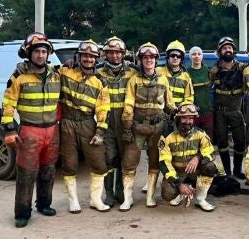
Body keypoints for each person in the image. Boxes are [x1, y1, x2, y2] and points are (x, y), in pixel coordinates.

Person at [2, 32, 61, 227]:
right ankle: (22, 213)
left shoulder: (56, 74)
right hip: (30, 131)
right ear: (29, 53)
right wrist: (9, 130)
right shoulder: (18, 76)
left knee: (48, 171)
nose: (41, 55)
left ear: (48, 54)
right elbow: (8, 103)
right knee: (26, 174)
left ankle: (44, 204)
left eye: (44, 51)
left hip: (52, 132)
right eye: (37, 52)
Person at [120, 42, 176, 211]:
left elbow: (170, 104)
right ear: (141, 60)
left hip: (157, 128)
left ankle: (150, 197)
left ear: (156, 59)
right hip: (137, 127)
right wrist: (127, 127)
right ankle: (127, 199)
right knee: (129, 162)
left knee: (154, 162)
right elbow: (128, 105)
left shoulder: (163, 79)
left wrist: (180, 113)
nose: (149, 60)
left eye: (152, 57)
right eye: (146, 57)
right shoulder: (134, 80)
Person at [59, 40, 111, 214]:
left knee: (98, 161)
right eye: (85, 56)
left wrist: (100, 132)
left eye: (92, 56)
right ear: (78, 57)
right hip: (67, 122)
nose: (88, 59)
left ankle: (95, 200)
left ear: (96, 60)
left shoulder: (100, 82)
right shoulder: (64, 71)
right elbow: (43, 71)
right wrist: (22, 66)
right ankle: (73, 200)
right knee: (70, 163)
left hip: (88, 122)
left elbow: (103, 109)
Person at [96, 36, 138, 208]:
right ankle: (109, 194)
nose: (115, 56)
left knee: (124, 159)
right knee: (109, 158)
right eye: (111, 52)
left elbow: (152, 73)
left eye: (118, 52)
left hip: (125, 122)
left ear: (123, 54)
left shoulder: (132, 72)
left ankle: (121, 192)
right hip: (106, 123)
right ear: (105, 54)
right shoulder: (98, 72)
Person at [159, 103, 218, 212]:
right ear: (178, 118)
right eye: (184, 118)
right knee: (168, 194)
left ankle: (200, 199)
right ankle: (182, 191)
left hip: (193, 171)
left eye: (191, 118)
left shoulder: (200, 133)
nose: (188, 122)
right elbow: (164, 163)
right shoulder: (167, 136)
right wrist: (179, 184)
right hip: (176, 173)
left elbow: (210, 151)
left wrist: (198, 157)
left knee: (210, 167)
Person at [209, 37, 246, 179]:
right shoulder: (214, 71)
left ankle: (237, 170)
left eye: (230, 47)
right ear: (219, 51)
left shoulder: (242, 68)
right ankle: (227, 172)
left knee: (240, 141)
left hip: (236, 111)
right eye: (224, 48)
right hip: (220, 112)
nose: (228, 50)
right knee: (222, 143)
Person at [187, 46, 213, 139]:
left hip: (207, 111)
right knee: (194, 138)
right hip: (192, 112)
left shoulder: (208, 70)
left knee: (208, 138)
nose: (197, 56)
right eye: (194, 54)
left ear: (202, 56)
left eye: (199, 54)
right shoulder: (186, 73)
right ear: (190, 57)